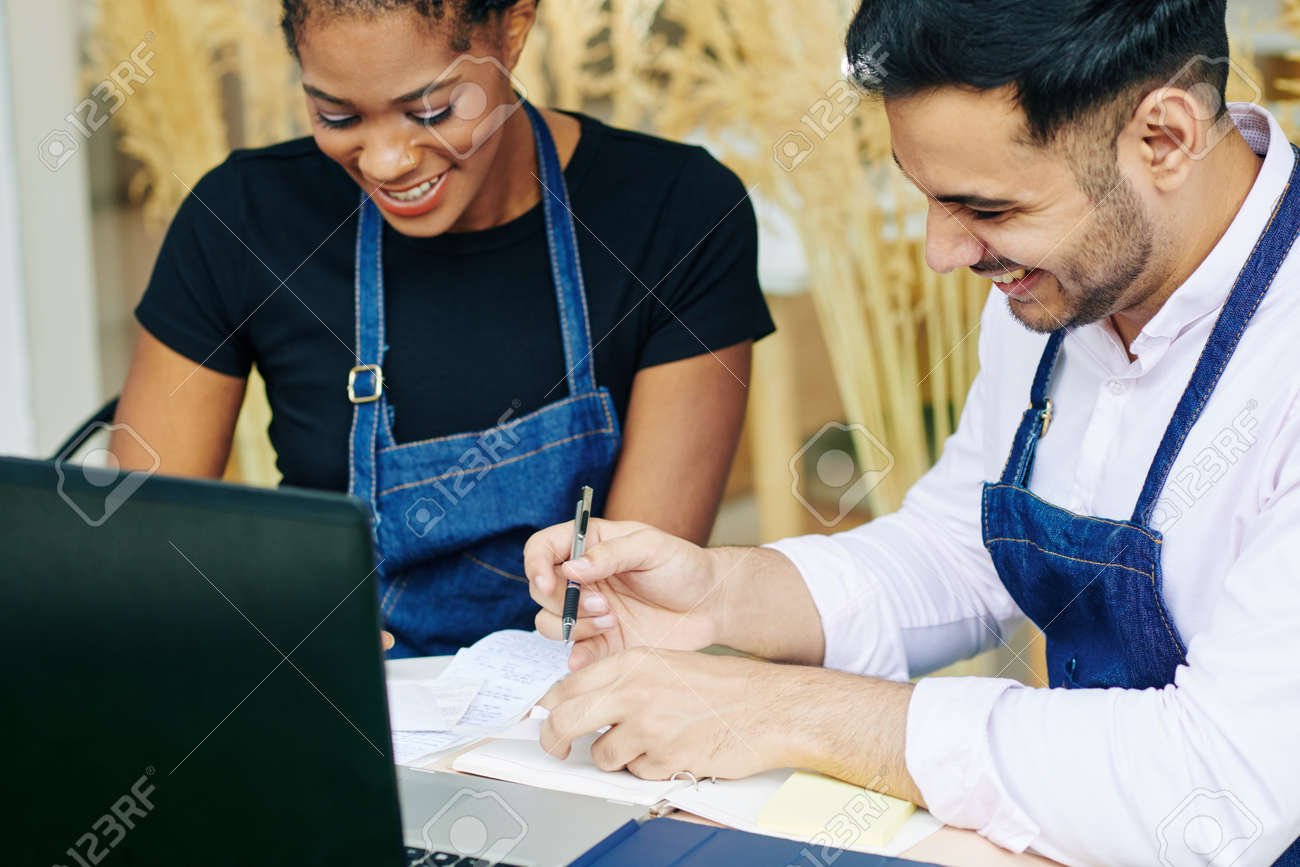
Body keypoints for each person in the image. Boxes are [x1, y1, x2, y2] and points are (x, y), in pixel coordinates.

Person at [524, 1, 1300, 864]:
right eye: (927, 195)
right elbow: (959, 552)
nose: (943, 250)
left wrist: (777, 710)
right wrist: (724, 594)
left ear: (1163, 138)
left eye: (987, 208)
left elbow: (1216, 788)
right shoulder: (1070, 280)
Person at [109, 0, 773, 657]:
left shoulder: (680, 215)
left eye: (431, 111)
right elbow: (137, 554)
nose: (387, 161)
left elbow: (630, 610)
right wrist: (256, 619)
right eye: (336, 116)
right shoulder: (241, 220)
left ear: (513, 29)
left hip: (576, 707)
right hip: (331, 696)